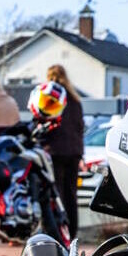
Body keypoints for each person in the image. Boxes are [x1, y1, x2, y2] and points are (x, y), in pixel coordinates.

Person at [44, 64, 85, 229]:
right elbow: (80, 126)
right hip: (74, 151)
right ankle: (73, 230)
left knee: (57, 192)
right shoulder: (75, 100)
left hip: (55, 150)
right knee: (71, 193)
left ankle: (60, 230)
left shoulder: (50, 98)